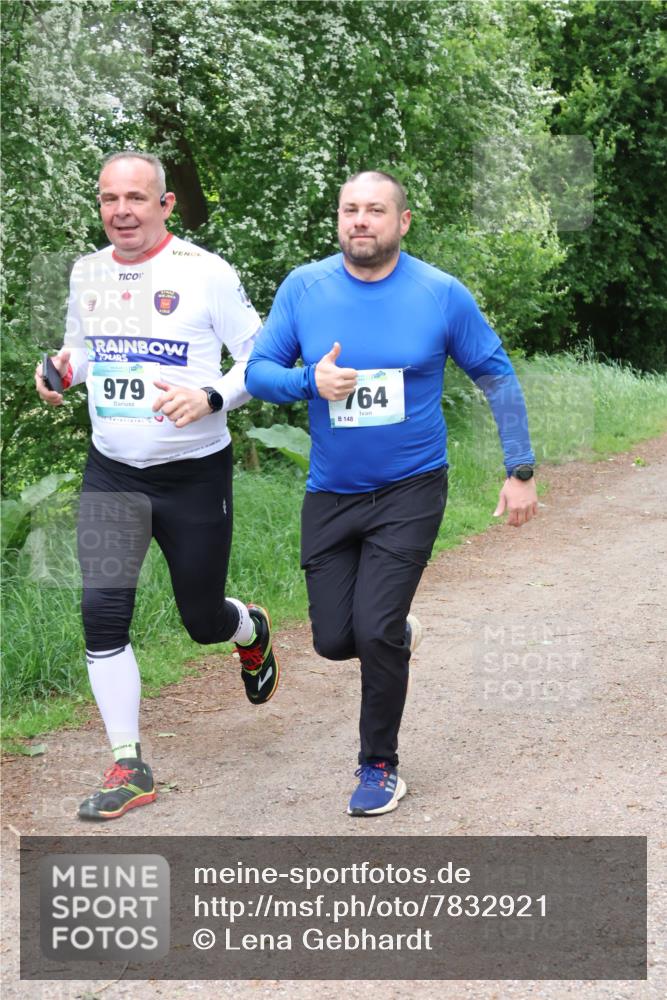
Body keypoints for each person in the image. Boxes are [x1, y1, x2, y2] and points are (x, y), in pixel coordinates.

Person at [245, 170, 537, 817]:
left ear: (401, 222)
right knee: (331, 639)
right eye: (350, 209)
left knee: (372, 631)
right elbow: (259, 372)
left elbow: (495, 373)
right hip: (331, 492)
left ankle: (379, 765)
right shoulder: (306, 288)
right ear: (338, 219)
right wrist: (307, 382)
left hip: (410, 489)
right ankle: (393, 630)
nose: (360, 221)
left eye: (374, 210)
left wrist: (519, 469)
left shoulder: (438, 294)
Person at [35, 151, 279, 822]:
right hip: (113, 472)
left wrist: (211, 396)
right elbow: (85, 352)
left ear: (165, 206)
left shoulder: (205, 275)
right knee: (102, 613)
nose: (122, 211)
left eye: (137, 198)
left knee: (200, 620)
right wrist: (61, 371)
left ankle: (246, 628)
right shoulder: (87, 272)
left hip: (194, 475)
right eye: (110, 198)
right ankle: (128, 763)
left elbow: (261, 356)